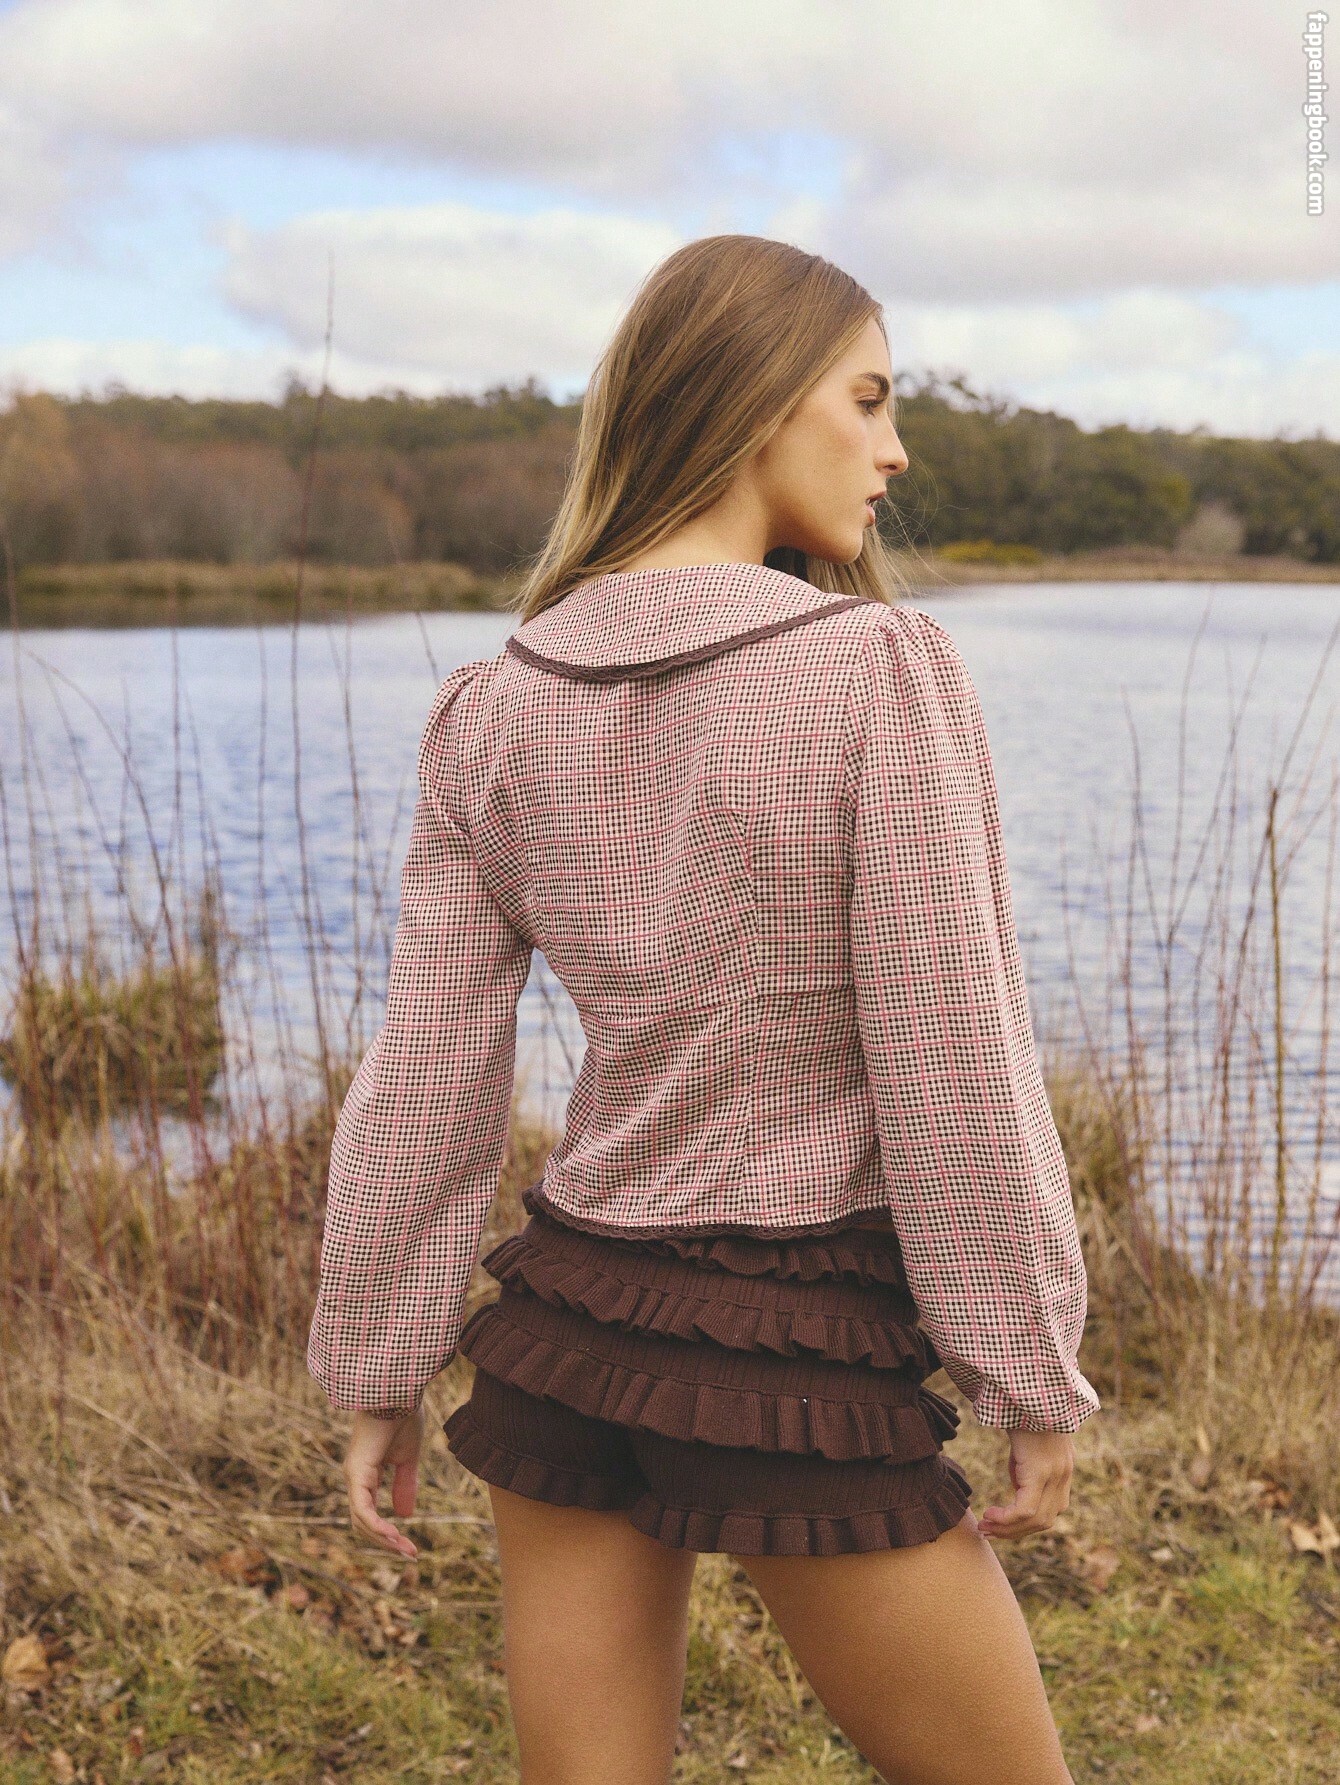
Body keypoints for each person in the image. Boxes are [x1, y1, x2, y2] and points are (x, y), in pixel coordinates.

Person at [307, 234, 1101, 1785]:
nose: (895, 448)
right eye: (867, 399)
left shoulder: (494, 704)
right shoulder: (875, 671)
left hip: (564, 1341)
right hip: (790, 1354)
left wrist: (379, 1360)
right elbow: (954, 1059)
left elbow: (425, 1080)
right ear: (753, 403)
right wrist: (1024, 1361)